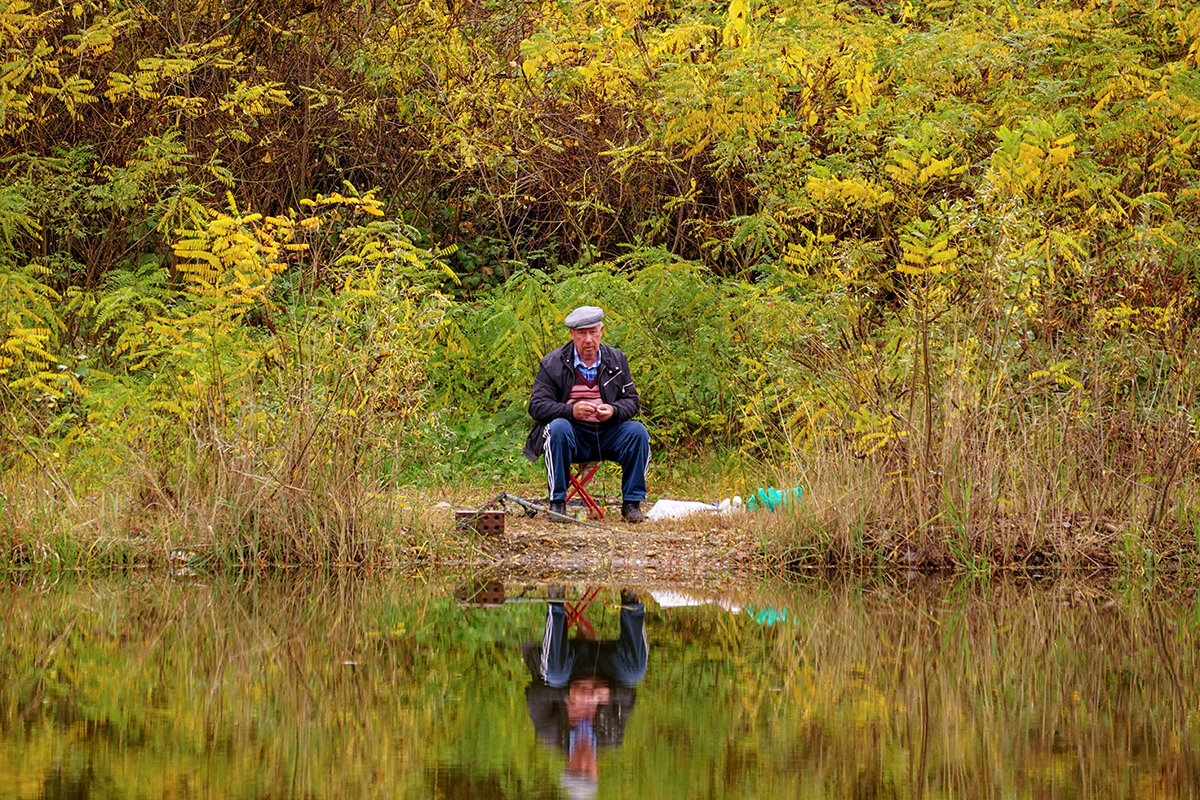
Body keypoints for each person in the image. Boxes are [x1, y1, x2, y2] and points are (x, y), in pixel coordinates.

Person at [523, 305, 651, 523]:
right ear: (572, 334)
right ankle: (558, 504)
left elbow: (632, 401)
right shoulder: (552, 363)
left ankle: (631, 505)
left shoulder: (617, 360)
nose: (588, 339)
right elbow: (536, 406)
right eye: (582, 333)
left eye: (592, 332)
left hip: (608, 434)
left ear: (601, 330)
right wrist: (571, 410)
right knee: (557, 428)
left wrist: (614, 410)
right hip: (572, 438)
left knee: (638, 431)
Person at [523, 588, 649, 799]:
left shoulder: (551, 735)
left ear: (567, 765)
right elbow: (629, 697)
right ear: (596, 772)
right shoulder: (611, 737)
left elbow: (534, 695)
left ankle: (556, 598)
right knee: (635, 672)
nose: (582, 764)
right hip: (604, 666)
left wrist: (569, 692)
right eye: (586, 771)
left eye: (575, 769)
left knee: (554, 675)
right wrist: (607, 693)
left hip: (566, 663)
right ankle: (631, 599)